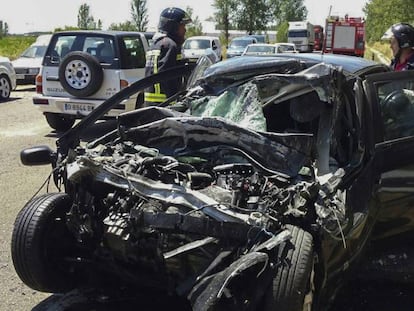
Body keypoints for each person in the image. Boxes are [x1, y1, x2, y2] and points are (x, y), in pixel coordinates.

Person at [144, 7, 192, 106]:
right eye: (182, 26)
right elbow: (167, 75)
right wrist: (175, 101)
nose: (185, 30)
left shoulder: (156, 44)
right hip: (164, 104)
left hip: (150, 103)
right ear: (173, 26)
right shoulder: (169, 45)